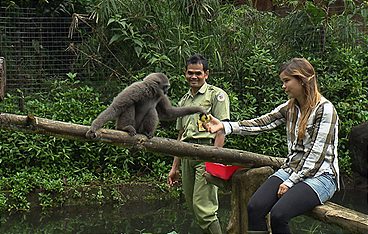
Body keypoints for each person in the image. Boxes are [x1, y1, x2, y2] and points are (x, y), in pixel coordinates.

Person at [205, 58, 339, 234]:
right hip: (292, 169)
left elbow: (316, 156)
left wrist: (291, 182)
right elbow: (262, 123)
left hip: (321, 176)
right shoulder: (291, 107)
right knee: (254, 208)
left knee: (279, 214)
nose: (283, 86)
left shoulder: (325, 110)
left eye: (286, 81)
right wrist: (224, 126)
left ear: (302, 80)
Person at [167, 54, 230, 234]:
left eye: (198, 73)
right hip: (187, 155)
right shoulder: (184, 100)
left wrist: (215, 158)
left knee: (204, 208)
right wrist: (174, 167)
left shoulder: (216, 95)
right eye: (190, 73)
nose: (193, 77)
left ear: (206, 74)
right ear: (185, 74)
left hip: (206, 153)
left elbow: (221, 129)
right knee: (193, 206)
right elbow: (181, 135)